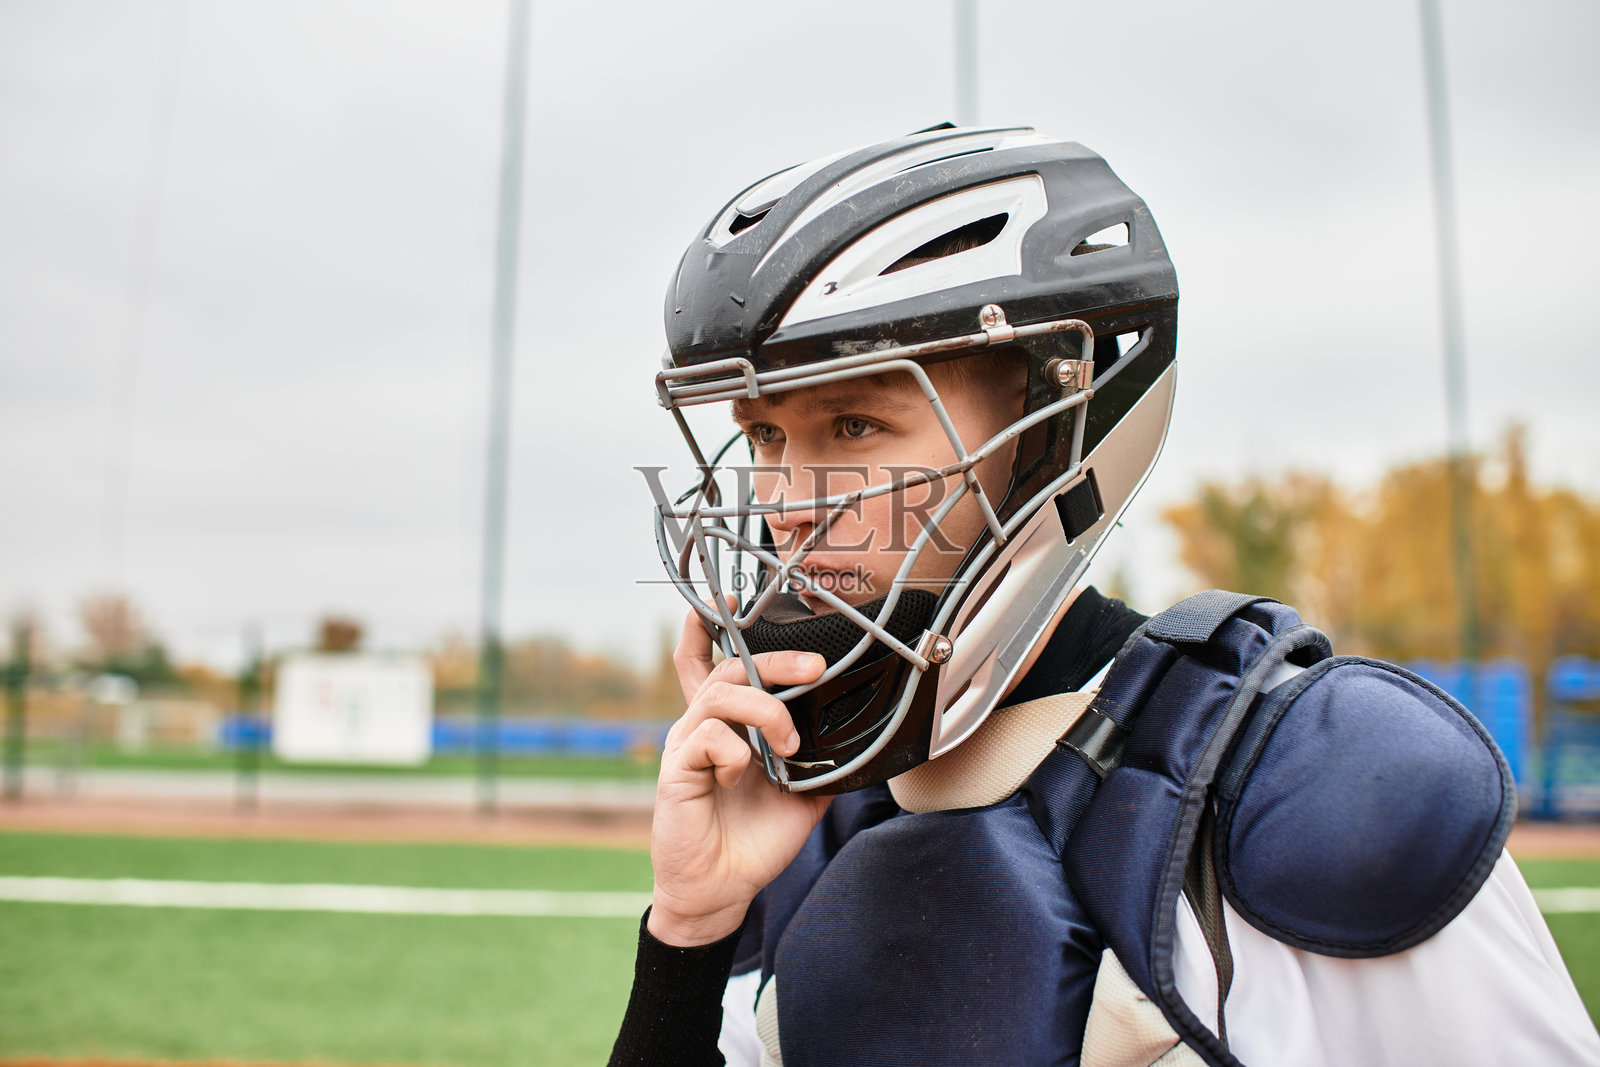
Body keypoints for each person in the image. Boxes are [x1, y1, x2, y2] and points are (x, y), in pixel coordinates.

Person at [611, 126, 1599, 1066]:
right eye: (769, 437)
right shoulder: (803, 813)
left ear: (1059, 421)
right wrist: (691, 933)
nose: (786, 502)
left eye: (857, 423)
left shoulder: (1306, 782)